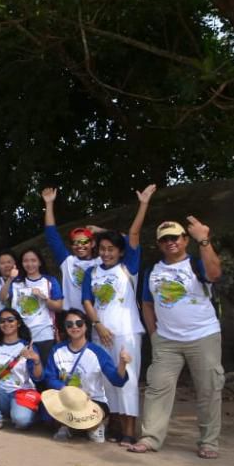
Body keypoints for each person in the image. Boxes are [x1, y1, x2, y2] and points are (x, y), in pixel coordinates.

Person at [128, 216, 224, 460]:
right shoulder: (153, 270)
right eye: (165, 239)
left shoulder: (196, 263)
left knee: (208, 389)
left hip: (203, 335)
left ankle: (209, 442)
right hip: (167, 340)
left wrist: (204, 241)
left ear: (184, 240)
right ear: (159, 244)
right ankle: (150, 438)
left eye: (175, 238)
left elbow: (214, 274)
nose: (170, 242)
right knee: (157, 387)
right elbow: (147, 304)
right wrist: (154, 334)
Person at [81, 184, 155, 445]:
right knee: (106, 379)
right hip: (100, 333)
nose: (106, 253)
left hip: (126, 331)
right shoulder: (92, 272)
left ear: (120, 251)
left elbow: (133, 234)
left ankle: (129, 430)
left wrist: (143, 204)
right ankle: (112, 425)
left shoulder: (129, 267)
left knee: (128, 379)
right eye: (102, 248)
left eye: (111, 248)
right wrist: (97, 325)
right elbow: (87, 300)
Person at [43, 309, 131, 443]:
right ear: (65, 327)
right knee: (52, 409)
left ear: (86, 326)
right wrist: (67, 391)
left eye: (79, 323)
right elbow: (50, 378)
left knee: (90, 423)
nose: (74, 327)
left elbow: (117, 381)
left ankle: (93, 426)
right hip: (66, 400)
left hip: (93, 401)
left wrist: (122, 364)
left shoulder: (97, 352)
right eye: (69, 324)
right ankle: (69, 426)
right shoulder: (57, 350)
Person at [0, 308, 43, 431]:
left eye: (10, 320)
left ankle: (29, 415)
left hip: (21, 393)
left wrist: (36, 360)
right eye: (2, 321)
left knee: (21, 421)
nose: (6, 324)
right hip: (0, 393)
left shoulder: (26, 346)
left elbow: (38, 377)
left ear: (18, 323)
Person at [41, 188, 102, 313]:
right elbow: (51, 235)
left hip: (99, 317)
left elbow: (125, 242)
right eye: (75, 242)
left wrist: (101, 230)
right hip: (74, 319)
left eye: (84, 241)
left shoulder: (102, 262)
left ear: (93, 243)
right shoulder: (67, 261)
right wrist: (49, 204)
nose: (80, 245)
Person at [2, 248, 63, 364]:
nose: (29, 264)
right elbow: (1, 297)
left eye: (33, 260)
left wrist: (44, 298)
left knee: (47, 371)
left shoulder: (49, 281)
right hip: (20, 336)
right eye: (26, 261)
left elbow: (59, 307)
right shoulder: (16, 283)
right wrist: (10, 279)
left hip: (45, 335)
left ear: (40, 262)